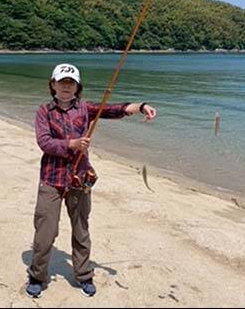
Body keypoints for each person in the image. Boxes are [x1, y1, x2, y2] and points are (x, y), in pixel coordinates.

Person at [26, 63, 157, 298]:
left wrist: (141, 107)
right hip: (51, 179)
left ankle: (84, 275)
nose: (66, 87)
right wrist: (72, 144)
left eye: (71, 83)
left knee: (81, 230)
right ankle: (37, 275)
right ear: (52, 85)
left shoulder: (86, 108)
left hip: (80, 178)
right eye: (62, 82)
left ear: (78, 87)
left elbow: (114, 109)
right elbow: (44, 142)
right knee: (46, 231)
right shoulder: (44, 111)